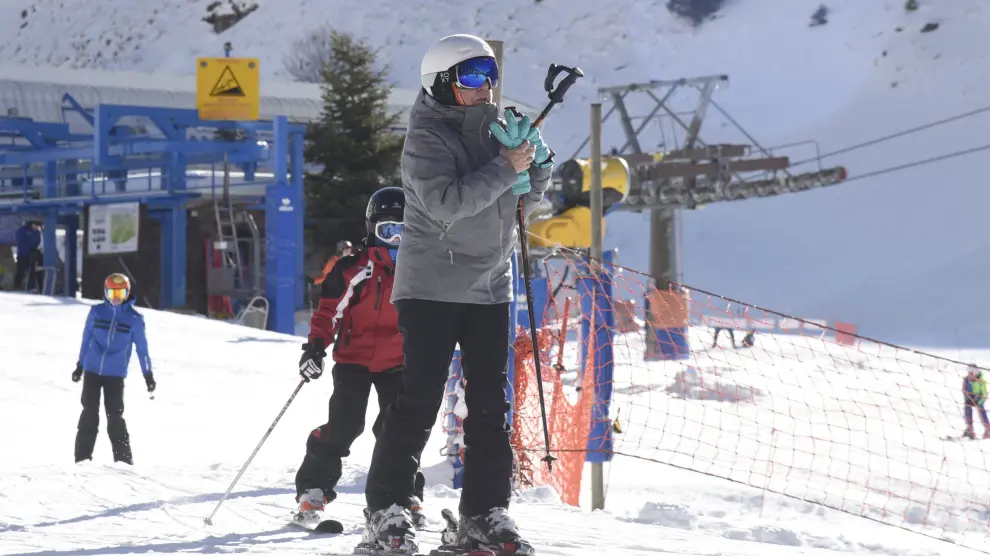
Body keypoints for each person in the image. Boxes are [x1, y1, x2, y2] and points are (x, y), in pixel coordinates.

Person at [359, 33, 553, 556]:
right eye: (471, 77)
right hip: (432, 287)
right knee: (418, 398)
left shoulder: (496, 127)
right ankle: (387, 508)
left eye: (489, 75)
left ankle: (485, 513)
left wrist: (536, 168)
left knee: (492, 405)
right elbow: (447, 202)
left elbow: (518, 201)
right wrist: (507, 165)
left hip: (490, 284)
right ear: (442, 83)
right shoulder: (425, 137)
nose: (485, 87)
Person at [294, 187, 427, 528]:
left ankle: (403, 494)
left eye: (403, 231)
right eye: (387, 231)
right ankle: (314, 490)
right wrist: (315, 348)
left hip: (398, 362)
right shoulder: (355, 267)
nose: (395, 240)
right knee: (344, 425)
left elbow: (434, 315)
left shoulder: (421, 268)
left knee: (396, 430)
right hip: (354, 359)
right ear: (372, 229)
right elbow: (329, 312)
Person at [73, 273, 156, 464]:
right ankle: (82, 459)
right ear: (106, 293)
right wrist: (80, 366)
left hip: (115, 375)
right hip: (93, 371)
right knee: (89, 413)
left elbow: (142, 349)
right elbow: (86, 340)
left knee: (115, 416)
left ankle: (124, 461)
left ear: (127, 293)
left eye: (120, 293)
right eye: (112, 293)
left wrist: (148, 375)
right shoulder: (96, 312)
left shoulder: (134, 319)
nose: (116, 297)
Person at [14, 220, 41, 291]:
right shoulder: (23, 230)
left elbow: (37, 242)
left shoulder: (37, 232)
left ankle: (30, 285)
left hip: (32, 255)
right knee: (21, 271)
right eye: (36, 225)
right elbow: (21, 242)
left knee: (32, 271)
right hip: (23, 255)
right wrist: (27, 251)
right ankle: (17, 285)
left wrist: (34, 251)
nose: (37, 227)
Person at [963, 365, 990, 439]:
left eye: (972, 373)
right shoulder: (966, 380)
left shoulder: (981, 381)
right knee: (967, 408)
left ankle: (988, 429)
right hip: (970, 398)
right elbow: (964, 390)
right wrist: (967, 399)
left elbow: (984, 393)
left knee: (981, 410)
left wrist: (979, 401)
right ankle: (970, 428)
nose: (970, 374)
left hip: (979, 398)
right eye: (969, 372)